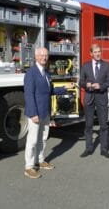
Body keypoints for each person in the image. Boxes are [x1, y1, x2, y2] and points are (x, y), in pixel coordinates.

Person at [24, 47, 74, 179]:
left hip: (45, 112)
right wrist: (33, 113)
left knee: (43, 138)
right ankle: (29, 167)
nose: (44, 58)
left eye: (46, 55)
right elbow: (29, 95)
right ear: (36, 56)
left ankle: (40, 160)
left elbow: (50, 90)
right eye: (41, 55)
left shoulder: (46, 73)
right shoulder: (31, 73)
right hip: (35, 113)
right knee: (33, 140)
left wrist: (64, 88)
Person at [79, 44, 109, 159]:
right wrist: (86, 84)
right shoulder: (86, 66)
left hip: (102, 97)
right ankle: (89, 148)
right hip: (89, 98)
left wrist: (101, 86)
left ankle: (104, 149)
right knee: (88, 125)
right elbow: (81, 82)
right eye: (95, 52)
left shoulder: (106, 65)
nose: (98, 54)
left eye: (99, 51)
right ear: (91, 54)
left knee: (103, 125)